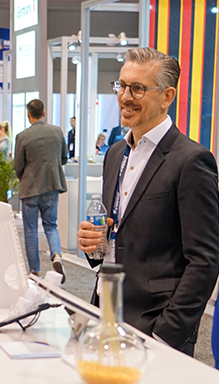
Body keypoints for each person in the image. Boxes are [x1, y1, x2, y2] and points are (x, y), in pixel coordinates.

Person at [77, 47, 219, 356]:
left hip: (153, 328)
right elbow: (119, 234)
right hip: (104, 311)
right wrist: (95, 243)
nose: (125, 97)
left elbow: (205, 259)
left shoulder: (192, 161)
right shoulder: (115, 154)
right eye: (122, 86)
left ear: (167, 96)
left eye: (138, 88)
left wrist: (166, 334)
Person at [13, 99, 68, 282]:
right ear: (43, 113)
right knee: (51, 226)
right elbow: (64, 158)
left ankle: (35, 271)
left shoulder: (22, 136)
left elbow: (18, 165)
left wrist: (25, 177)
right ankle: (57, 255)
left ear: (29, 115)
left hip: (30, 188)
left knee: (30, 230)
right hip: (52, 185)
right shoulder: (57, 132)